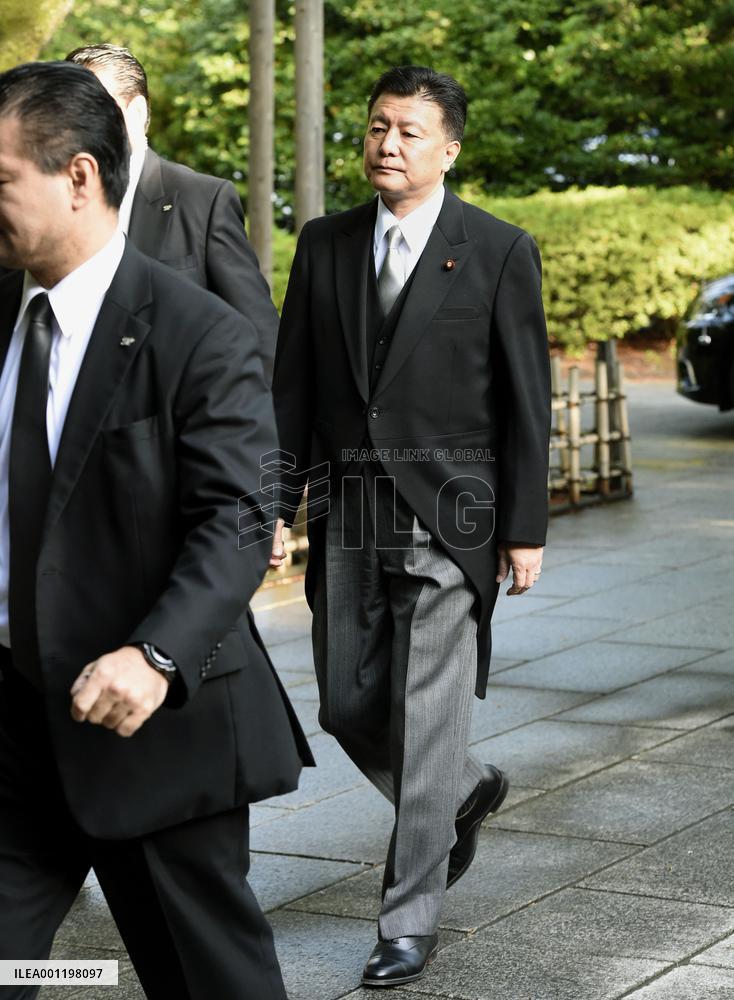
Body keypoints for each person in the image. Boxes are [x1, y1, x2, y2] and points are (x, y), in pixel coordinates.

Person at [0, 60, 311, 1000]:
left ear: (80, 177)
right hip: (15, 726)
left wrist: (155, 654)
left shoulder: (196, 334)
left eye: (1, 178)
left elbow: (238, 518)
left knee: (206, 980)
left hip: (145, 719)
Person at [271, 65, 551, 989]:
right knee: (348, 705)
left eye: (410, 132)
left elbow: (525, 400)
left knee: (428, 722)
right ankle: (465, 793)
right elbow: (294, 389)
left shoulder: (500, 249)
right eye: (377, 127)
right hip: (349, 511)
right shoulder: (325, 244)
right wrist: (275, 504)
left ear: (450, 149)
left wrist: (524, 527)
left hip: (453, 517)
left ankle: (408, 920)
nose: (388, 144)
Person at [65, 43, 279, 384]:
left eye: (92, 108)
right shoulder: (55, 203)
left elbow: (258, 336)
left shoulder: (202, 200)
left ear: (136, 112)